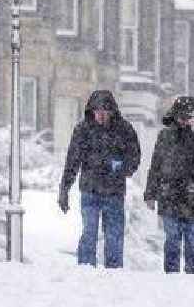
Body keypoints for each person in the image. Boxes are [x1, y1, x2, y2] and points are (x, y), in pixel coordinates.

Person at [58, 90, 141, 268]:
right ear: (92, 111)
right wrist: (64, 189)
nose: (101, 115)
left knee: (114, 235)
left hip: (114, 192)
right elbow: (72, 161)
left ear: (112, 112)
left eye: (105, 111)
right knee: (89, 232)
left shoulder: (124, 130)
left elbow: (135, 157)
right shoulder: (83, 130)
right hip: (90, 190)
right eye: (97, 111)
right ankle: (86, 269)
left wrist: (122, 168)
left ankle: (114, 270)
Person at [143, 96, 194, 274]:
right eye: (181, 116)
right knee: (172, 238)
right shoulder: (165, 135)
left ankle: (191, 274)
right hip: (169, 194)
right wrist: (150, 193)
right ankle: (171, 275)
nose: (184, 120)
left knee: (193, 239)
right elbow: (156, 164)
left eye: (188, 116)